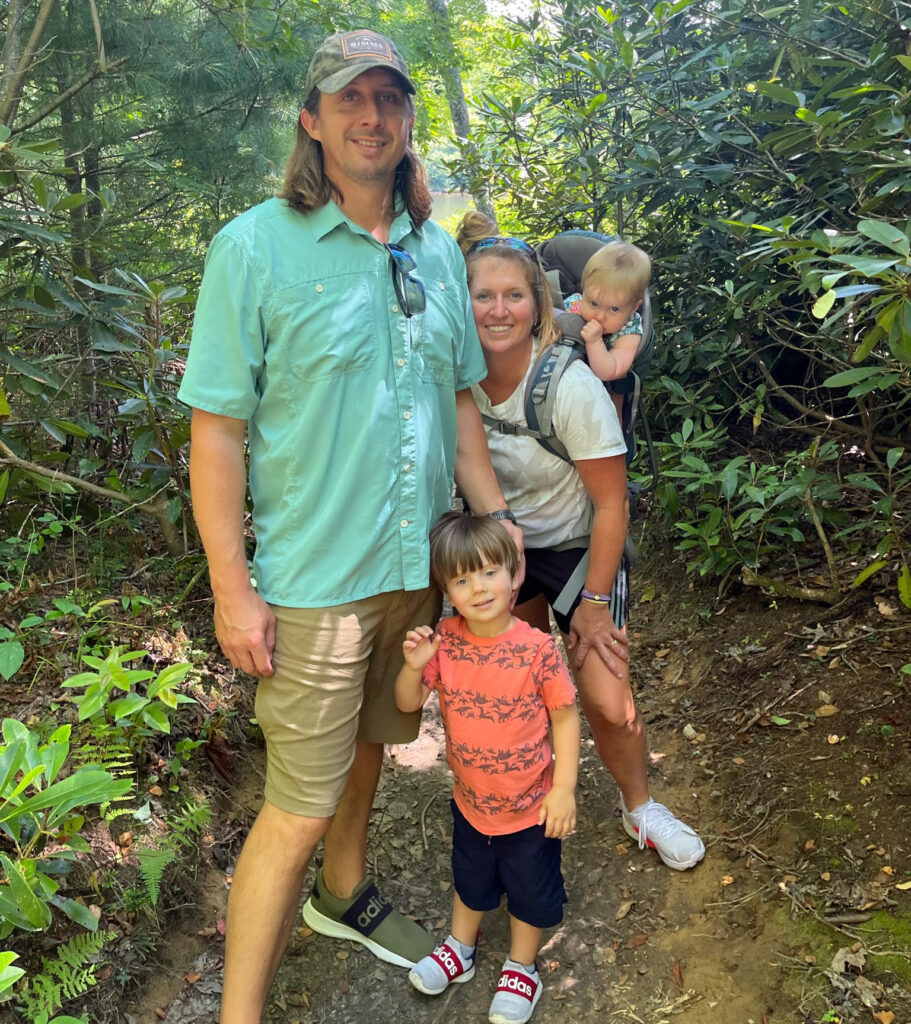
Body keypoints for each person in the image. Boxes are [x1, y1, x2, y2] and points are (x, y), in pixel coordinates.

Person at [178, 31, 520, 1024]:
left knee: (377, 739)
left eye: (389, 98)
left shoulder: (435, 252)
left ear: (408, 117)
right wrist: (231, 586)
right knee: (294, 805)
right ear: (312, 119)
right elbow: (217, 432)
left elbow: (459, 405)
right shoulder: (251, 249)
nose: (371, 116)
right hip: (312, 583)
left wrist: (495, 531)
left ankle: (344, 895)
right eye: (349, 99)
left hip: (413, 569)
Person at [455, 212, 705, 874]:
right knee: (518, 677)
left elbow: (610, 502)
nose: (498, 310)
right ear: (462, 300)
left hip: (575, 546)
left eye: (514, 295)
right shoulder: (451, 376)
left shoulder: (568, 384)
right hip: (500, 545)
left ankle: (639, 807)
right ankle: (532, 784)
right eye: (483, 295)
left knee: (606, 699)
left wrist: (595, 599)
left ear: (539, 304)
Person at [395, 513, 579, 1024]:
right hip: (471, 802)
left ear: (515, 573)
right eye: (461, 579)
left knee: (529, 888)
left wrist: (562, 789)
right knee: (470, 878)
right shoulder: (446, 641)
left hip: (530, 807)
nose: (478, 588)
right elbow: (407, 703)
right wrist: (414, 668)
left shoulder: (538, 649)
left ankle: (523, 966)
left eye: (489, 572)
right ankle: (461, 947)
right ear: (447, 589)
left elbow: (565, 718)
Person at [562, 241, 651, 417]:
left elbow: (608, 372)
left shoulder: (629, 330)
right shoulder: (574, 305)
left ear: (633, 308)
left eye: (614, 309)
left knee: (612, 406)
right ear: (584, 289)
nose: (599, 316)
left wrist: (594, 342)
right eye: (594, 303)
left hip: (604, 394)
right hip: (563, 384)